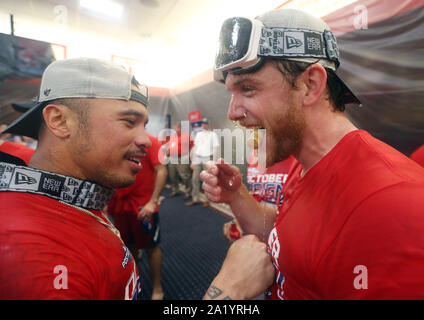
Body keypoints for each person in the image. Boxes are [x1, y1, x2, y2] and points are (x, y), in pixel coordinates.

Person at [0, 57, 273, 300]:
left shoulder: (64, 193)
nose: (145, 139)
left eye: (143, 124)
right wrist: (228, 291)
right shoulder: (35, 259)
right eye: (128, 122)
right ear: (59, 121)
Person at [201, 8, 424, 299]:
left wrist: (225, 297)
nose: (233, 112)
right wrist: (237, 196)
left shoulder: (390, 205)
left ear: (311, 85)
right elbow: (287, 234)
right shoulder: (305, 160)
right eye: (232, 92)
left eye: (248, 88)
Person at [107, 133, 167, 300]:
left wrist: (153, 202)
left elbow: (162, 170)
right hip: (119, 205)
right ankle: (135, 278)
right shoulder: (115, 140)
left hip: (143, 205)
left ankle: (157, 286)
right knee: (128, 245)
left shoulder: (151, 141)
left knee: (151, 246)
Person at [186, 117, 220, 207]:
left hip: (207, 158)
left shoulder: (213, 134)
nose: (204, 125)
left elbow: (215, 148)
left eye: (206, 123)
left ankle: (207, 200)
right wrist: (193, 161)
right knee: (194, 179)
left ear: (209, 125)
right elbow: (195, 147)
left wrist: (214, 161)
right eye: (203, 124)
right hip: (197, 158)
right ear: (202, 125)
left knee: (207, 180)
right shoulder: (198, 134)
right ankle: (195, 199)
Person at [166, 122, 193, 199]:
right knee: (172, 175)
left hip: (182, 157)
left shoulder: (186, 136)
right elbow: (170, 146)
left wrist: (189, 157)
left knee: (185, 176)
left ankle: (188, 192)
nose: (175, 130)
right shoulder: (173, 136)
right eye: (174, 128)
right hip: (172, 158)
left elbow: (191, 147)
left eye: (176, 128)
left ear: (180, 128)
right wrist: (167, 152)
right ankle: (175, 190)